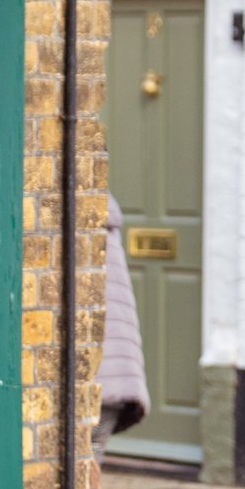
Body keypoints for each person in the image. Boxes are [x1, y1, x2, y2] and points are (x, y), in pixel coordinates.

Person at [93, 194, 148, 459]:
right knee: (91, 460)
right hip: (120, 374)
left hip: (94, 377)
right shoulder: (108, 229)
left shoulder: (83, 229)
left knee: (81, 467)